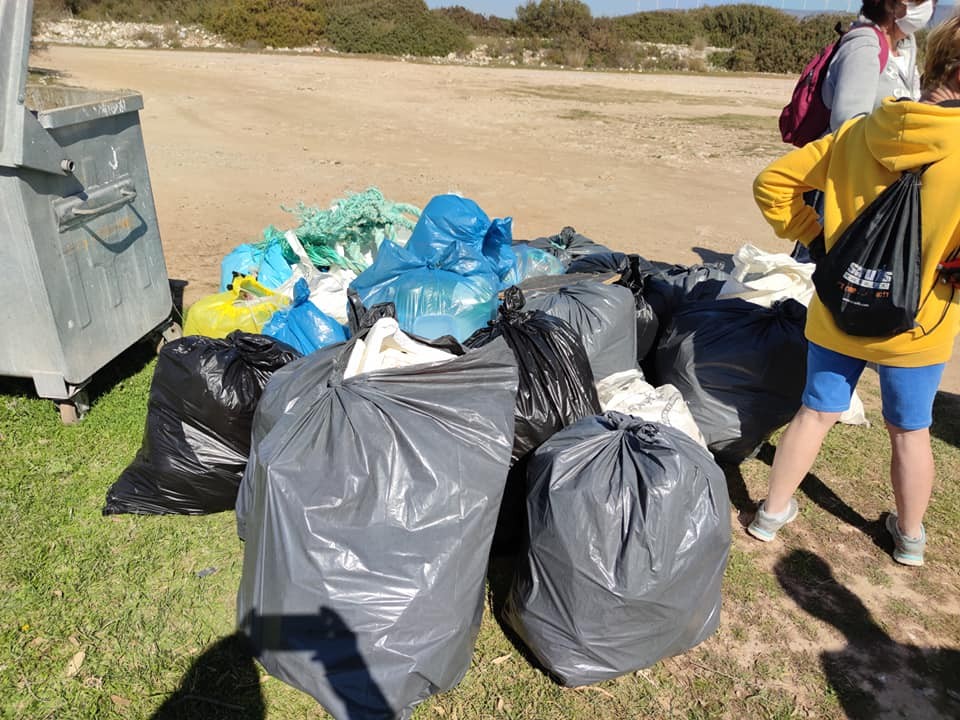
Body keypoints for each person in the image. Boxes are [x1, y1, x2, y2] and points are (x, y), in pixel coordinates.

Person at [748, 11, 960, 567]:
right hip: (921, 321)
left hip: (840, 303)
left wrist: (816, 240)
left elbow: (773, 183)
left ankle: (770, 513)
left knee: (815, 412)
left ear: (934, 62)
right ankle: (909, 538)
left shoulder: (859, 132)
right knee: (911, 431)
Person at [792, 0, 934, 262]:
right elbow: (849, 122)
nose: (932, 8)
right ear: (898, 5)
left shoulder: (905, 47)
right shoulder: (864, 46)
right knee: (817, 263)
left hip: (878, 175)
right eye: (926, 2)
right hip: (841, 175)